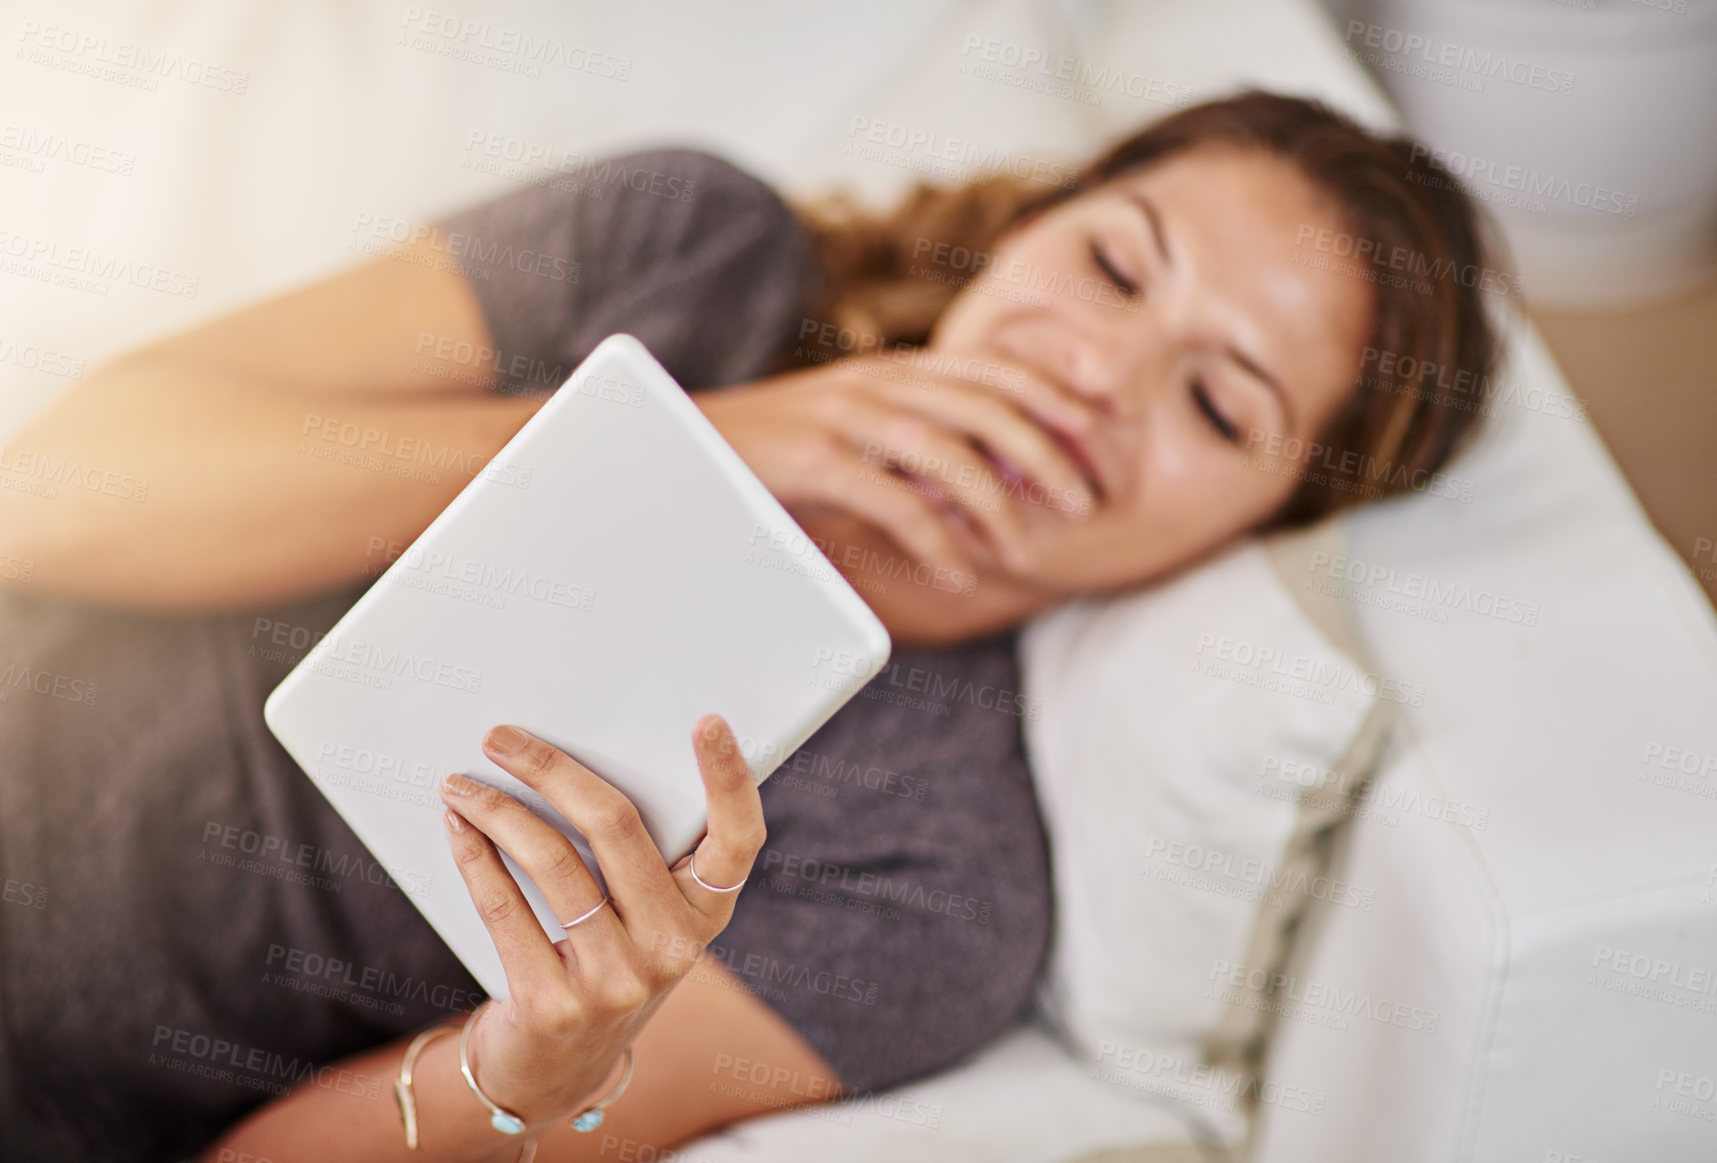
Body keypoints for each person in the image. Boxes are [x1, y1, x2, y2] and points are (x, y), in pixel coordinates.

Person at [0, 91, 1505, 1162]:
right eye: (1112, 265)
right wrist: (702, 439)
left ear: (1236, 537)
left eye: (1216, 402)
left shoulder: (934, 884)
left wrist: (530, 1073)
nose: (1100, 376)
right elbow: (48, 498)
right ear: (1028, 226)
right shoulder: (689, 250)